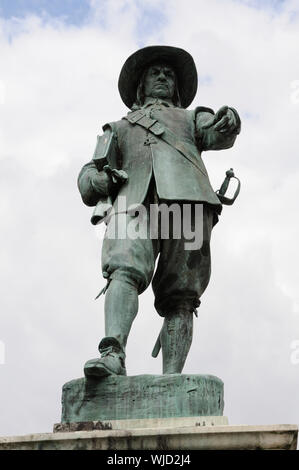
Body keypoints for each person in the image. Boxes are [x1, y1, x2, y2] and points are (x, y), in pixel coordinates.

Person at [78, 46, 241, 378]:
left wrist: (229, 120)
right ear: (142, 84)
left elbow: (217, 133)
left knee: (182, 294)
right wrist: (99, 178)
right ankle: (112, 353)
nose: (164, 76)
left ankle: (173, 378)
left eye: (169, 74)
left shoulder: (192, 117)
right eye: (156, 72)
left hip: (190, 204)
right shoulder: (119, 127)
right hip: (133, 204)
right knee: (123, 267)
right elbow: (87, 179)